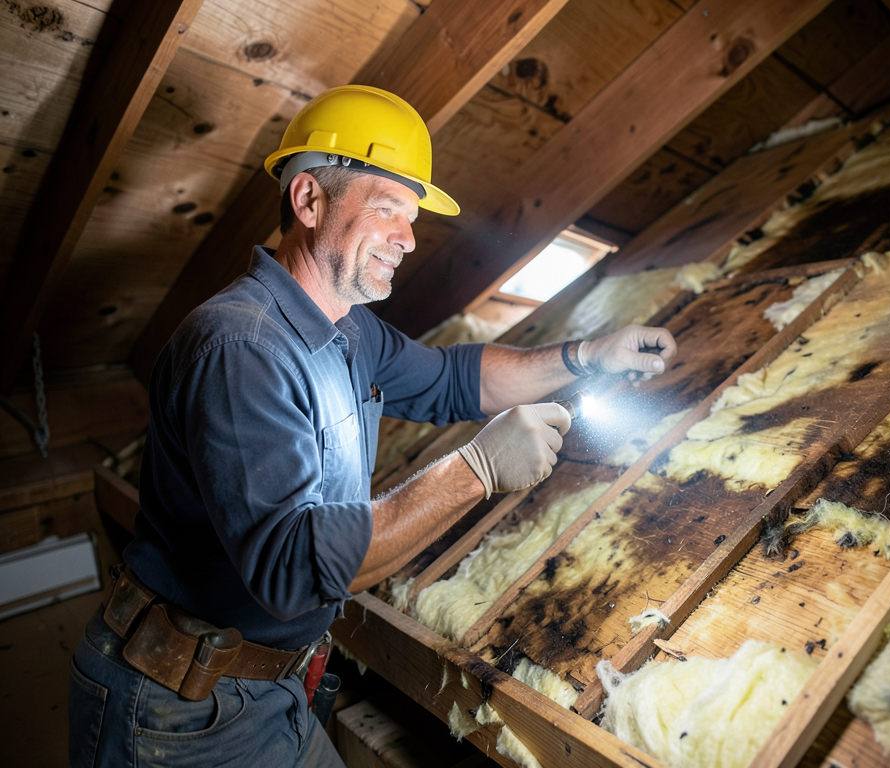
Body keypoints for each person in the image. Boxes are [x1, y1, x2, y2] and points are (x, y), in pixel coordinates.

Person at [68, 85, 677, 768]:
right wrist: (473, 471)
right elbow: (295, 568)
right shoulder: (240, 348)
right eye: (388, 209)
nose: (410, 239)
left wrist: (586, 355)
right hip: (179, 713)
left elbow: (455, 380)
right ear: (308, 201)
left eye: (411, 217)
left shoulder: (345, 328)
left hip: (266, 688)